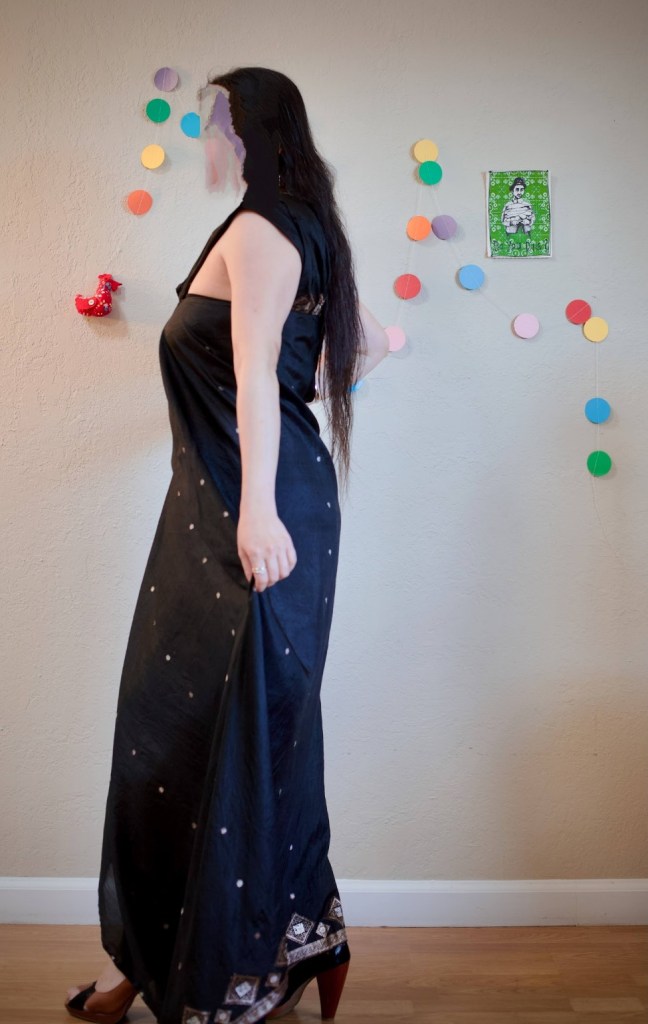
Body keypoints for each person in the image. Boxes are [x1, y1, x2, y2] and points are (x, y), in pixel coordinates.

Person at [64, 66, 390, 1024]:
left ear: (246, 132)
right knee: (222, 732)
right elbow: (377, 343)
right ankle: (273, 953)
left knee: (221, 735)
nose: (205, 143)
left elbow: (252, 379)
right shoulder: (309, 229)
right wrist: (285, 438)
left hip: (250, 515)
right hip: (256, 504)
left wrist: (256, 513)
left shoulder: (258, 232)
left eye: (212, 125)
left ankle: (228, 974)